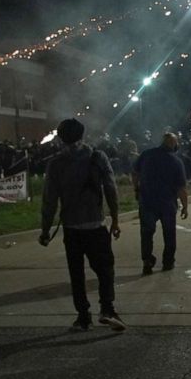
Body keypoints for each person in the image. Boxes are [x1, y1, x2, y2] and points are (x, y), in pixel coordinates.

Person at [39, 118, 126, 332]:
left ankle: (83, 316)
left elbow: (49, 199)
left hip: (71, 227)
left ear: (60, 138)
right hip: (96, 225)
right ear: (82, 135)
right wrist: (115, 219)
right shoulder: (97, 157)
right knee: (105, 269)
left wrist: (45, 229)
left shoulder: (56, 163)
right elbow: (111, 189)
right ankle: (107, 308)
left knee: (76, 273)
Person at [132, 132, 189, 275]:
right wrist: (185, 206)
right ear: (174, 144)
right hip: (167, 203)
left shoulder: (146, 155)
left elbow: (134, 172)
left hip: (147, 201)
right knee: (169, 234)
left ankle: (147, 262)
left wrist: (137, 188)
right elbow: (181, 188)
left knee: (146, 233)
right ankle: (168, 262)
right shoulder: (176, 162)